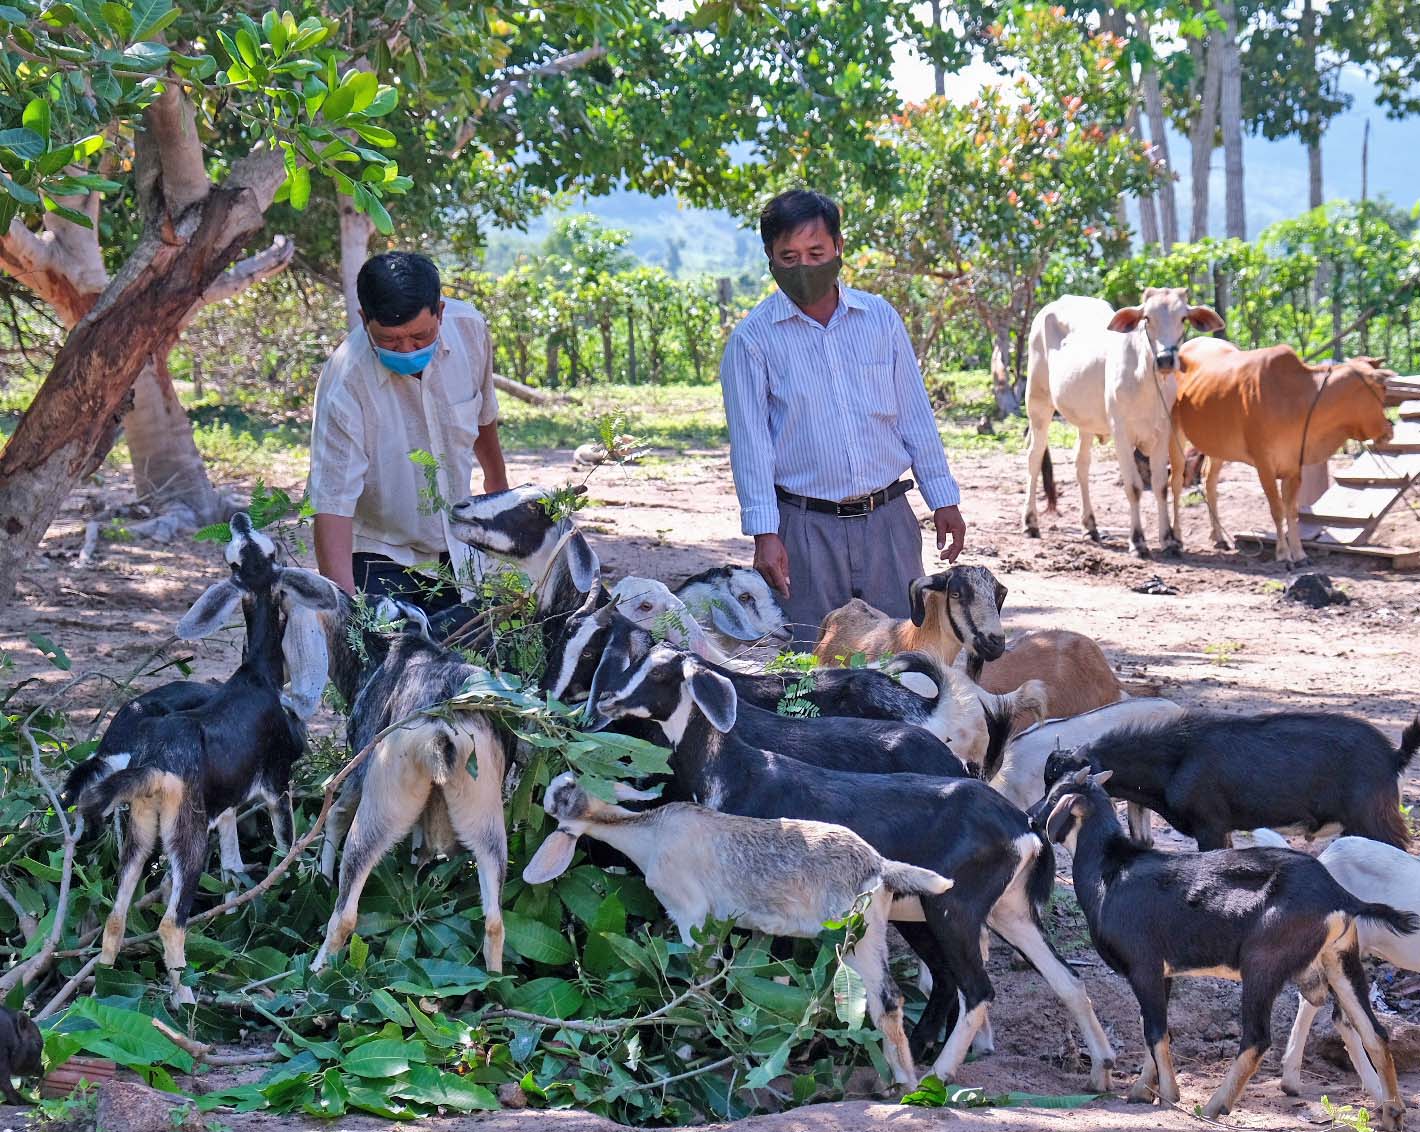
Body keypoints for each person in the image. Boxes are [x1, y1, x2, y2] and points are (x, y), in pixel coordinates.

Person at [719, 189, 967, 648]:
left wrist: (943, 499)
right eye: (788, 256)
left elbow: (915, 417)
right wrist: (764, 534)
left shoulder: (880, 320)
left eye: (816, 252)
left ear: (838, 248)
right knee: (813, 662)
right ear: (770, 259)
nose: (804, 267)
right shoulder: (752, 342)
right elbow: (752, 447)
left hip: (889, 523)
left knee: (904, 659)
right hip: (804, 532)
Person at [308, 252, 509, 614]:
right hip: (379, 550)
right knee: (388, 659)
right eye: (389, 339)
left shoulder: (470, 330)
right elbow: (332, 501)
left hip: (458, 542)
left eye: (420, 336)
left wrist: (498, 489)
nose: (407, 349)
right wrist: (346, 613)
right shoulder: (346, 381)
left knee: (466, 655)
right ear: (364, 320)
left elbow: (482, 414)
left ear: (440, 312)